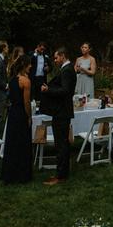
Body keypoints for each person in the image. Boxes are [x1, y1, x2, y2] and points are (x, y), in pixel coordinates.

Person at [40, 46, 76, 185]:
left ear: (63, 56)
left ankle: (60, 176)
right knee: (62, 143)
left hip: (62, 111)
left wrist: (48, 90)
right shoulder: (67, 69)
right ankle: (62, 172)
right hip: (62, 111)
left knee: (61, 144)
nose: (54, 61)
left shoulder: (67, 70)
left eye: (56, 58)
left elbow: (65, 91)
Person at [1, 54, 34, 185]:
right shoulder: (26, 81)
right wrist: (29, 116)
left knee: (12, 143)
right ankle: (22, 174)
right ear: (24, 65)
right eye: (29, 64)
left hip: (13, 112)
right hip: (21, 113)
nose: (31, 66)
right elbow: (26, 102)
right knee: (22, 143)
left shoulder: (13, 79)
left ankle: (10, 173)